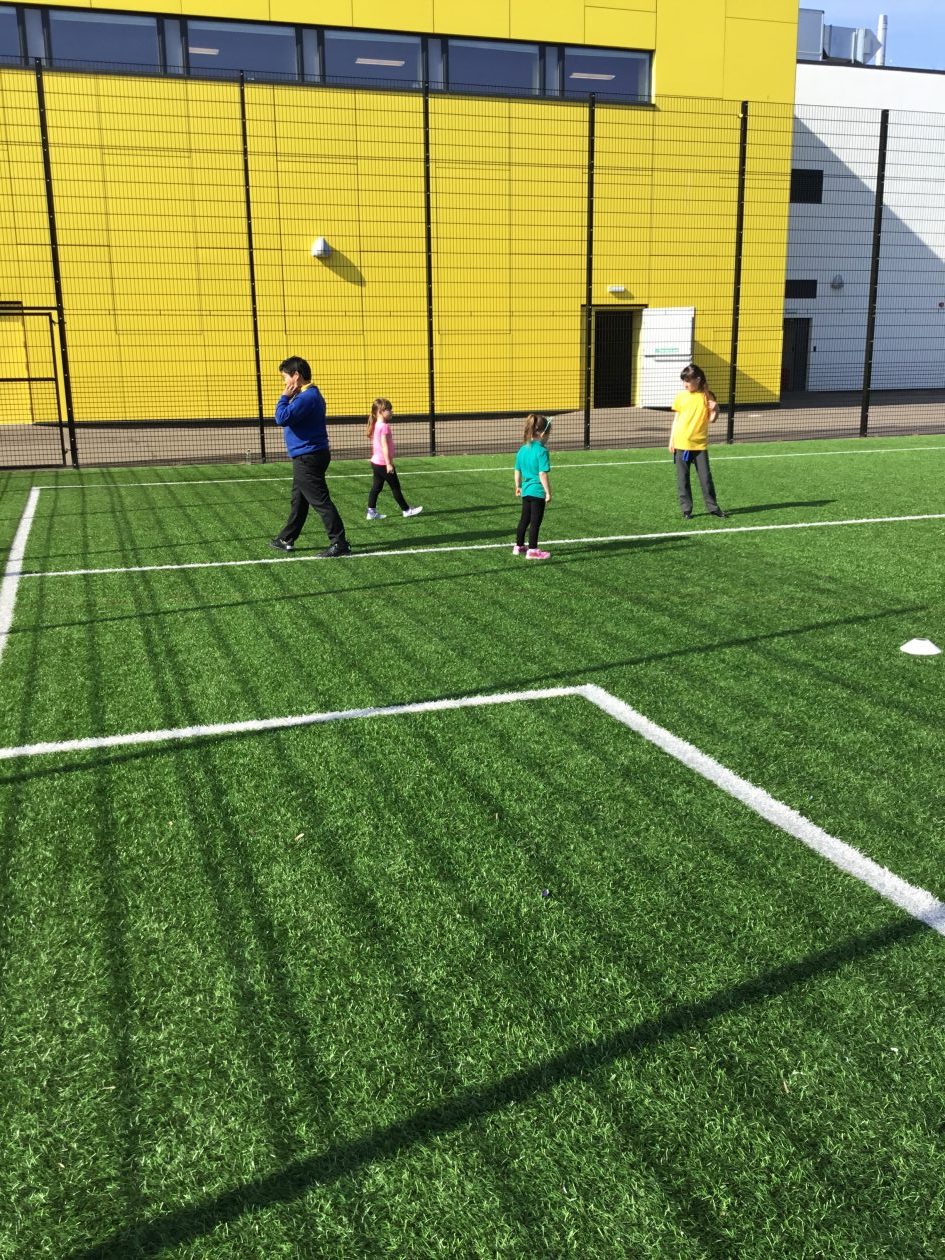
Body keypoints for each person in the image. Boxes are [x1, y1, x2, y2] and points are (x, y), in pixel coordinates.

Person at [269, 356, 351, 557]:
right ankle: (286, 538)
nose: (284, 382)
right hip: (308, 455)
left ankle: (339, 542)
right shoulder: (308, 395)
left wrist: (284, 397)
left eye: (285, 377)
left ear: (296, 376)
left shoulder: (307, 397)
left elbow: (281, 418)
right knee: (299, 500)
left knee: (320, 501)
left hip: (308, 457)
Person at [669, 363, 726, 520]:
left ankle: (713, 508)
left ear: (698, 380)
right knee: (683, 479)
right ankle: (686, 510)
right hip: (681, 443)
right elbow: (676, 420)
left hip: (700, 446)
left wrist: (716, 409)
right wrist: (671, 440)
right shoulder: (681, 396)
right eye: (683, 381)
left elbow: (712, 419)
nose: (685, 384)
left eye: (688, 380)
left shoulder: (707, 396)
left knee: (706, 478)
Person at [364, 398, 423, 521]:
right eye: (389, 409)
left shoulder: (377, 424)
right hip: (383, 463)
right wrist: (388, 464)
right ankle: (406, 510)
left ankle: (371, 512)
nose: (392, 411)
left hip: (376, 462)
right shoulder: (384, 426)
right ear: (380, 412)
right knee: (395, 487)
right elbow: (384, 446)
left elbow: (378, 445)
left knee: (376, 487)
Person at [513, 414, 553, 560]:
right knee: (535, 522)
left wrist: (518, 486)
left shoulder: (522, 450)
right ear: (542, 434)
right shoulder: (542, 451)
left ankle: (518, 546)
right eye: (548, 434)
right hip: (537, 492)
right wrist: (548, 492)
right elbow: (542, 473)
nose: (548, 438)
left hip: (526, 491)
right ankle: (533, 550)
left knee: (524, 520)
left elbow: (517, 470)